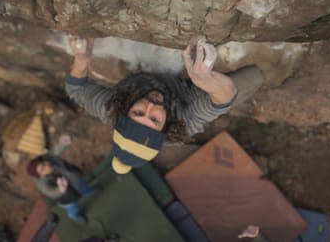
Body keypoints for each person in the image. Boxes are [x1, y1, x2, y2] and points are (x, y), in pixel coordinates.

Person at [65, 37, 263, 174]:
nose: (151, 105)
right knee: (254, 77)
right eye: (154, 119)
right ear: (165, 127)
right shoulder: (184, 124)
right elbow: (223, 98)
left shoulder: (110, 108)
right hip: (187, 94)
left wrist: (81, 60)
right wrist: (205, 79)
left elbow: (75, 89)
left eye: (138, 112)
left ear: (124, 111)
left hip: (146, 79)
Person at [26, 134, 96, 224]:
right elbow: (51, 192)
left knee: (83, 187)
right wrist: (60, 190)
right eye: (42, 169)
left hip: (74, 180)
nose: (47, 165)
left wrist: (61, 143)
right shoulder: (42, 184)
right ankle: (74, 217)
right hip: (66, 197)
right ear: (40, 175)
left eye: (43, 163)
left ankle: (89, 192)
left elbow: (54, 152)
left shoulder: (47, 159)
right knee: (73, 208)